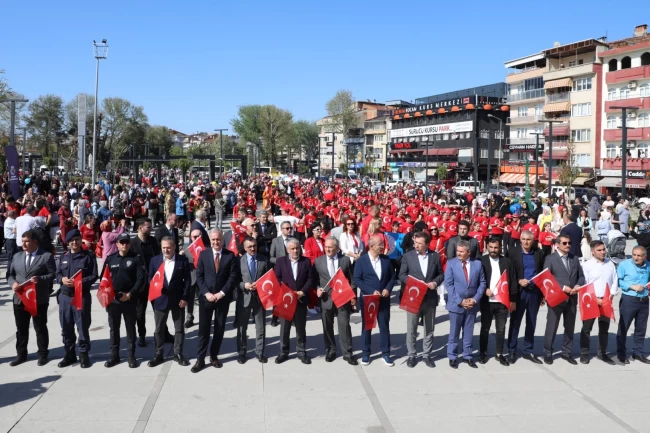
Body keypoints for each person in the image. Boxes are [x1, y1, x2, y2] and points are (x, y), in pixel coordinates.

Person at [7, 229, 57, 367]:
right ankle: (21, 354)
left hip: (38, 299)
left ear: (35, 242)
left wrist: (40, 279)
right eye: (22, 241)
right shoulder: (16, 256)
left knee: (40, 327)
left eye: (27, 241)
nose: (23, 244)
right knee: (21, 329)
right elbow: (10, 275)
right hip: (20, 299)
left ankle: (43, 354)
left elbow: (53, 274)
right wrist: (13, 283)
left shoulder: (46, 256)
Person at [192, 229, 238, 373]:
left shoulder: (230, 255)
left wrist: (222, 293)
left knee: (219, 328)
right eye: (213, 240)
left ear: (222, 240)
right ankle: (200, 359)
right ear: (210, 240)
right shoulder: (203, 254)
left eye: (218, 239)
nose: (216, 242)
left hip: (222, 299)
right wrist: (206, 293)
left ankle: (214, 356)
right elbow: (199, 275)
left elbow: (232, 277)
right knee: (203, 330)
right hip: (206, 299)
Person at [398, 231, 444, 368]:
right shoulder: (408, 256)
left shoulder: (435, 256)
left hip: (429, 298)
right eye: (415, 242)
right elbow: (402, 275)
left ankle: (426, 355)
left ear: (427, 244)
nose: (416, 245)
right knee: (411, 328)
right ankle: (412, 355)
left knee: (429, 328)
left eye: (419, 243)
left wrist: (435, 283)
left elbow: (441, 274)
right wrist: (414, 283)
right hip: (413, 297)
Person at [54, 229, 98, 369]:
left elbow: (93, 276)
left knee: (82, 327)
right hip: (65, 297)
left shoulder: (88, 256)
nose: (74, 242)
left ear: (81, 240)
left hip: (81, 296)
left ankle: (83, 354)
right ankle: (69, 354)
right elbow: (57, 273)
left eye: (77, 239)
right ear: (68, 243)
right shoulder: (63, 256)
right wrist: (62, 279)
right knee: (66, 327)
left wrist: (79, 282)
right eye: (72, 241)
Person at [102, 232, 147, 368]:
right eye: (122, 242)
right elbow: (103, 278)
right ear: (117, 244)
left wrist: (130, 294)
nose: (124, 245)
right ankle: (114, 356)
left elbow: (141, 279)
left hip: (129, 299)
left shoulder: (136, 258)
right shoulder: (110, 259)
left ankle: (131, 356)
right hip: (114, 300)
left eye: (127, 242)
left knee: (130, 329)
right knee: (114, 329)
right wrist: (108, 295)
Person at [147, 237, 192, 368]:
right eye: (163, 248)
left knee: (179, 329)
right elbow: (150, 278)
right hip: (160, 300)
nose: (166, 250)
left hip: (178, 300)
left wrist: (185, 298)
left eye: (168, 247)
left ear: (174, 247)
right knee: (159, 329)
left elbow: (187, 281)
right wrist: (155, 294)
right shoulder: (155, 260)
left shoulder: (182, 260)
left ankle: (178, 353)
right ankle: (158, 354)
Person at [543, 234, 586, 365]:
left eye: (569, 243)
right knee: (552, 326)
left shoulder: (574, 258)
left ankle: (566, 352)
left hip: (572, 298)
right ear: (557, 244)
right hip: (556, 298)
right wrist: (563, 287)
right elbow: (547, 278)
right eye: (565, 243)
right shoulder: (550, 259)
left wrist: (578, 285)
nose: (568, 245)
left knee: (569, 326)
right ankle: (547, 352)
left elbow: (581, 276)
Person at [353, 235, 396, 367]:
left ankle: (386, 353)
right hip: (368, 299)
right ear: (371, 246)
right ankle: (366, 353)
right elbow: (357, 279)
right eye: (380, 244)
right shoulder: (361, 261)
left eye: (382, 244)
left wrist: (388, 288)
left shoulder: (386, 260)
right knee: (367, 326)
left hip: (383, 299)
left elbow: (392, 276)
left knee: (384, 325)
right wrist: (371, 291)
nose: (383, 247)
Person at [314, 237, 357, 365]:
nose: (327, 249)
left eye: (330, 247)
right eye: (326, 247)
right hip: (326, 299)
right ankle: (331, 350)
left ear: (337, 248)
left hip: (343, 299)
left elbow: (352, 280)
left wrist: (353, 296)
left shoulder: (345, 261)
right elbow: (314, 280)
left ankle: (347, 353)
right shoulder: (318, 261)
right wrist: (317, 288)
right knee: (327, 327)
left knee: (344, 326)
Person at [444, 240, 486, 369]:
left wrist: (475, 299)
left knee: (468, 332)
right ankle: (452, 356)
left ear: (469, 252)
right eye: (457, 251)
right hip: (456, 304)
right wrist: (460, 301)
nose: (458, 253)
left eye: (461, 251)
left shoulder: (477, 264)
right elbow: (448, 284)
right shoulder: (451, 263)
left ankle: (467, 355)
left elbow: (482, 283)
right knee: (454, 333)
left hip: (472, 304)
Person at [274, 238, 314, 364]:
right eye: (292, 249)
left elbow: (310, 279)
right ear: (287, 250)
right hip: (285, 300)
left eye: (297, 248)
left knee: (300, 327)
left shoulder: (306, 261)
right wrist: (285, 291)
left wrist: (303, 291)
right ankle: (283, 352)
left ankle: (301, 351)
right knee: (284, 328)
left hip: (300, 299)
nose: (295, 251)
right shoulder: (281, 261)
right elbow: (276, 278)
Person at [580, 240, 619, 365]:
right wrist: (595, 299)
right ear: (592, 251)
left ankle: (602, 353)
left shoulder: (610, 264)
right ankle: (584, 353)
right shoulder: (586, 265)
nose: (603, 252)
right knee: (586, 328)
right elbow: (584, 285)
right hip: (591, 300)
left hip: (606, 300)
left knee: (604, 328)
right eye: (599, 250)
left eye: (603, 249)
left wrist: (611, 294)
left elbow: (615, 280)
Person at [479, 237, 516, 366]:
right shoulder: (481, 261)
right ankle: (483, 352)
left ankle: (499, 354)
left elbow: (513, 281)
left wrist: (513, 300)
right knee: (485, 328)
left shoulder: (507, 261)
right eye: (491, 247)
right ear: (487, 247)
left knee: (501, 329)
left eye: (496, 247)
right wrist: (484, 289)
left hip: (502, 301)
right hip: (486, 302)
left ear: (500, 248)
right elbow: (476, 279)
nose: (493, 250)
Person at [129, 218, 162, 347]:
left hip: (154, 281)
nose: (151, 229)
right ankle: (141, 335)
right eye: (148, 227)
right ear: (140, 228)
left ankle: (162, 333)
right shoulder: (132, 244)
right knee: (140, 312)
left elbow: (159, 258)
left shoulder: (153, 241)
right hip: (140, 284)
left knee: (159, 310)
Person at [236, 236, 269, 364]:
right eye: (249, 246)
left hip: (260, 298)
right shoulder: (239, 261)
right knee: (242, 328)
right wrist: (244, 285)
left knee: (260, 327)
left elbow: (268, 278)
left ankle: (259, 352)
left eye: (254, 246)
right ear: (245, 248)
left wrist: (260, 285)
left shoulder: (263, 260)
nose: (253, 248)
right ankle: (242, 352)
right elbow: (235, 280)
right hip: (244, 298)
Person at [616, 246, 650, 364]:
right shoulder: (624, 265)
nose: (636, 258)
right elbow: (618, 281)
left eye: (639, 256)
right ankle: (621, 353)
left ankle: (638, 353)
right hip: (629, 300)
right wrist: (631, 286)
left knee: (641, 328)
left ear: (645, 256)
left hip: (644, 300)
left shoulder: (648, 265)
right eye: (634, 255)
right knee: (623, 327)